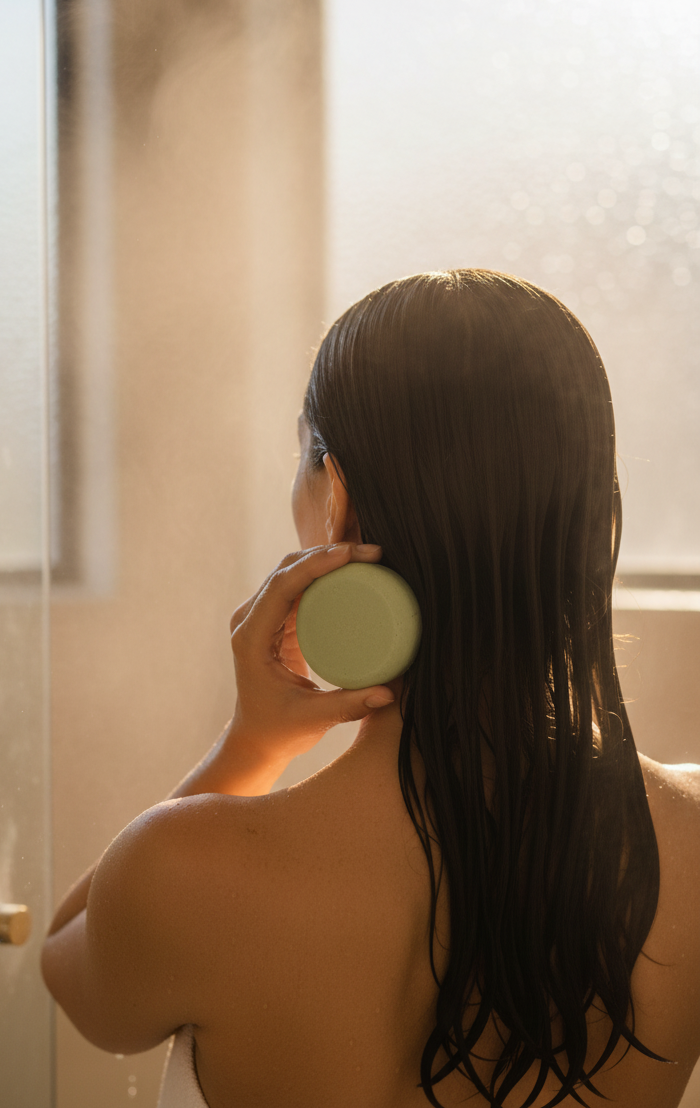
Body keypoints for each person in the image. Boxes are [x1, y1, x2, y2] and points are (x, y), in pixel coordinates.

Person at [42, 270, 700, 1107]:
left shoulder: (190, 868)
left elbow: (69, 963)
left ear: (339, 501)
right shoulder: (694, 844)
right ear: (594, 513)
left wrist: (250, 747)